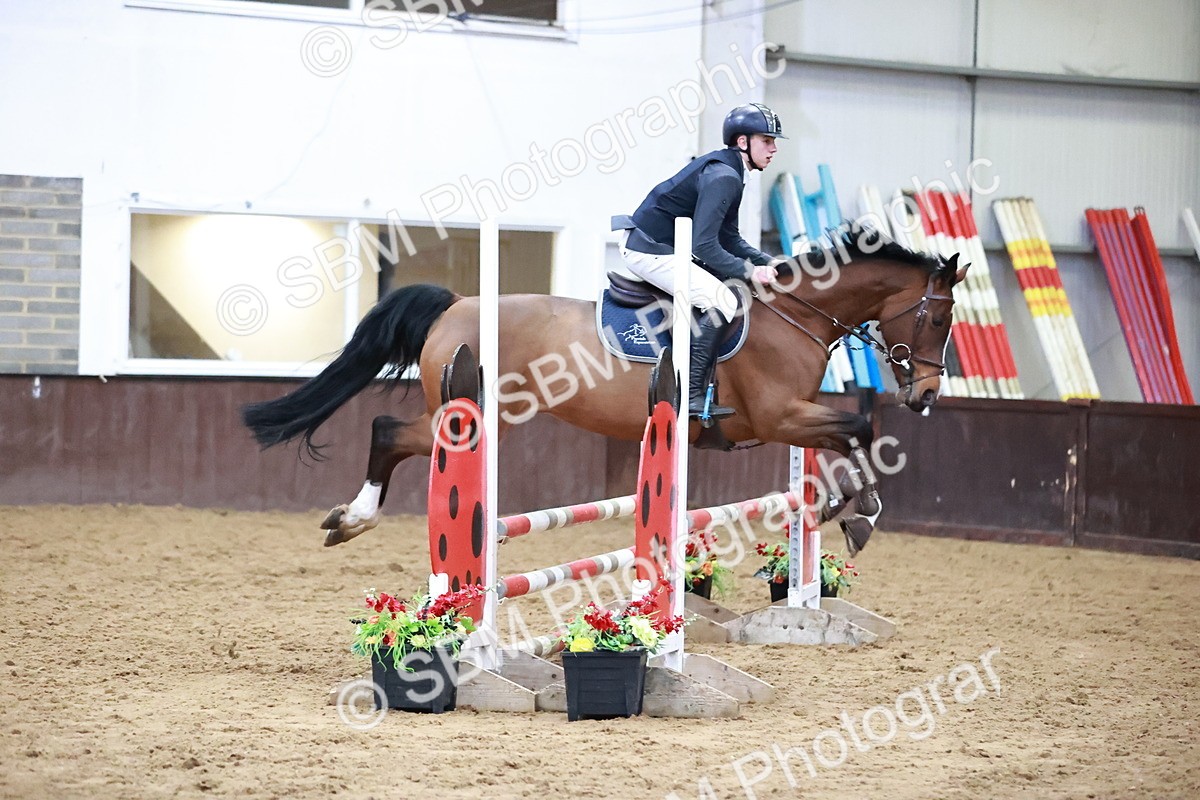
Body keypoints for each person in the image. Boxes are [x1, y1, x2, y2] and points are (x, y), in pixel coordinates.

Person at [611, 102, 787, 421]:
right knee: (722, 300)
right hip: (649, 250)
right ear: (742, 142)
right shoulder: (724, 176)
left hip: (665, 246)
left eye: (774, 141)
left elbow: (729, 237)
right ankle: (689, 394)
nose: (774, 149)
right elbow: (705, 246)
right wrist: (750, 271)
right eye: (767, 140)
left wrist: (767, 261)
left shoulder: (733, 171)